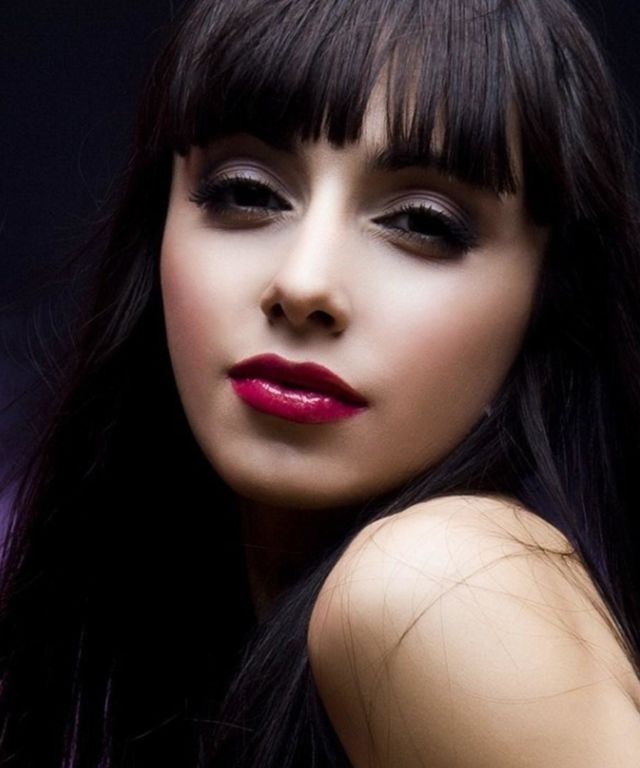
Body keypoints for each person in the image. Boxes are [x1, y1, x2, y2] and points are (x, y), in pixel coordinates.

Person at [1, 0, 640, 764]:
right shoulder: (197, 622)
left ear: (549, 296)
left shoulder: (434, 589)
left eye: (421, 222)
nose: (303, 285)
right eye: (246, 192)